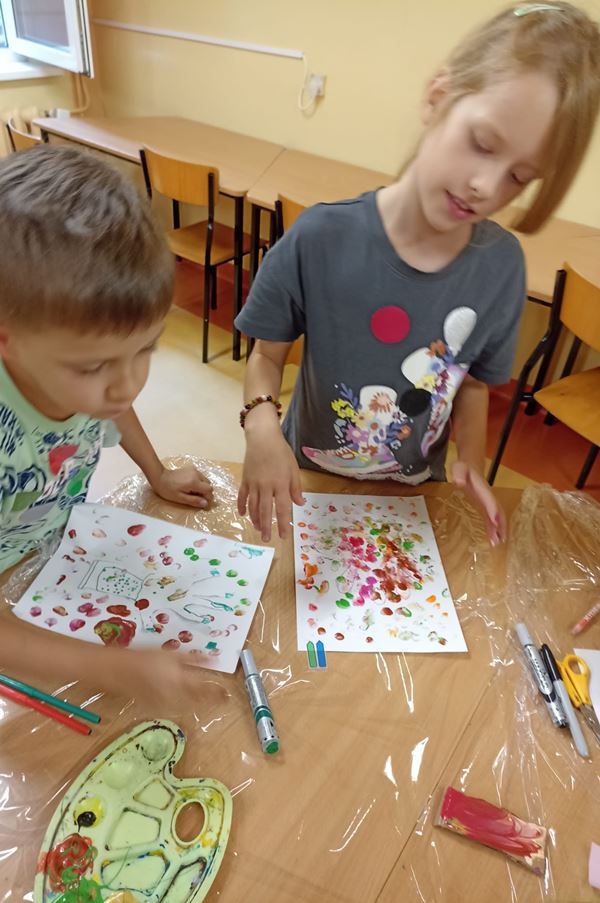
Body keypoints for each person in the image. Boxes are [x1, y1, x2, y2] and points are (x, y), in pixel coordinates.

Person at [235, 1, 600, 545]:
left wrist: (470, 459)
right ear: (437, 96)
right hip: (307, 481)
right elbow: (266, 357)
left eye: (519, 177)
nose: (486, 187)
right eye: (482, 144)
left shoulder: (501, 267)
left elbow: (471, 381)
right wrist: (261, 423)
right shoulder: (320, 237)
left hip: (413, 498)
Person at [0, 145, 213, 702]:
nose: (127, 385)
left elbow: (113, 409)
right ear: (6, 340)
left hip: (49, 559)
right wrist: (106, 668)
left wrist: (157, 473)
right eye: (94, 367)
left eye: (146, 350)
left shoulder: (86, 379)